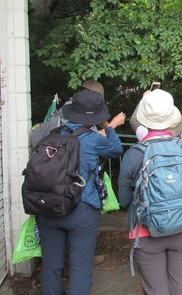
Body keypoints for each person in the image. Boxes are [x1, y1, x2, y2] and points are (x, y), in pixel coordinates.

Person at [36, 90, 124, 295]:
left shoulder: (51, 136)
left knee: (51, 264)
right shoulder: (93, 139)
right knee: (80, 267)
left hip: (48, 207)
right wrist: (108, 125)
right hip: (82, 209)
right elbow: (117, 149)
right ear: (95, 116)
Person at [119, 89, 182, 295]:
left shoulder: (134, 154)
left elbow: (124, 199)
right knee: (180, 285)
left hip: (146, 232)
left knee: (155, 289)